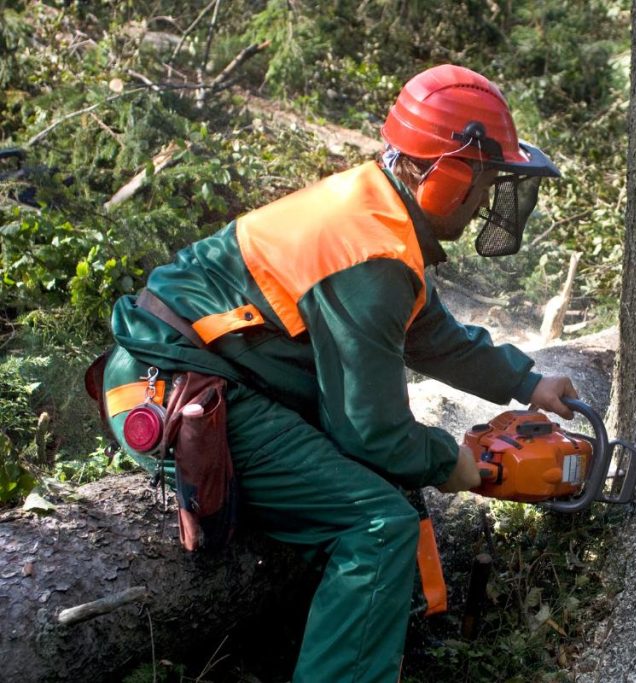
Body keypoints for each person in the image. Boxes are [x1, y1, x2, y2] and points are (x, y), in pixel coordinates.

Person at [98, 64, 578, 681]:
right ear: (447, 175)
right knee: (377, 525)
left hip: (211, 374)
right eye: (485, 182)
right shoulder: (370, 255)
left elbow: (430, 333)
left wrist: (527, 382)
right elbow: (370, 431)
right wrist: (455, 463)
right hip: (180, 390)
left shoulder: (376, 215)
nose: (487, 200)